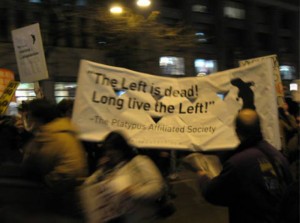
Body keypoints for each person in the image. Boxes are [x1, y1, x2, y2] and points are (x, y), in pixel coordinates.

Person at [196, 109, 293, 223]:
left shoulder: (238, 163)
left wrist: (202, 177)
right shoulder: (278, 156)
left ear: (237, 132)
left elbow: (213, 193)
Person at [21, 98, 88, 216]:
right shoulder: (54, 132)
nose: (27, 120)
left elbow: (72, 168)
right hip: (63, 196)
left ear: (38, 118)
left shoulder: (54, 136)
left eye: (29, 116)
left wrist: (49, 181)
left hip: (63, 199)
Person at [82, 131, 165, 223]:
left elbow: (158, 187)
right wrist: (101, 170)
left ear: (121, 148)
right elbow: (87, 185)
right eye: (106, 150)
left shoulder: (139, 162)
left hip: (142, 218)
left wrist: (134, 192)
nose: (108, 153)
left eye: (112, 149)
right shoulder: (108, 168)